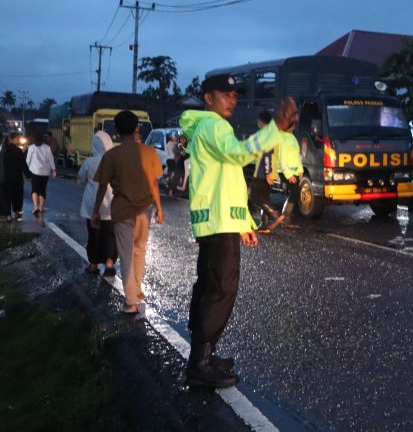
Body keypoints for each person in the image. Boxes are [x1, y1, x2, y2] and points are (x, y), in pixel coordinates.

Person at [179, 75, 295, 389]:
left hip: (217, 221)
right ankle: (200, 363)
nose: (232, 99)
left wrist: (242, 222)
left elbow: (227, 182)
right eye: (225, 94)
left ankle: (203, 354)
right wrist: (276, 130)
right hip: (218, 224)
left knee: (210, 285)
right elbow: (239, 155)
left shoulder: (206, 128)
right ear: (208, 98)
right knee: (221, 289)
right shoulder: (215, 127)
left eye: (234, 94)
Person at [92, 110, 164, 315]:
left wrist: (96, 211)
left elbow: (102, 186)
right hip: (145, 209)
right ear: (137, 128)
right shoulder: (150, 152)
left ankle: (131, 301)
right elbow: (154, 184)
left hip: (122, 209)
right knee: (140, 249)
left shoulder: (111, 156)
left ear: (116, 131)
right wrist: (159, 208)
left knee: (126, 254)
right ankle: (136, 291)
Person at [79, 131, 117, 276]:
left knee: (94, 235)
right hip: (111, 205)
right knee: (110, 235)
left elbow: (81, 178)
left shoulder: (89, 162)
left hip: (91, 205)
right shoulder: (113, 161)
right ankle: (109, 263)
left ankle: (93, 265)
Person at [265, 112, 303, 232]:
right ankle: (284, 217)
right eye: (293, 125)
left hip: (294, 171)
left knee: (293, 192)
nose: (295, 127)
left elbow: (297, 155)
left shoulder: (292, 138)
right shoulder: (281, 138)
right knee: (295, 191)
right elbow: (281, 158)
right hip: (286, 171)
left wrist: (300, 169)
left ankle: (285, 218)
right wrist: (288, 174)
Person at [249, 111, 280, 230]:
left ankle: (273, 212)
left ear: (262, 122)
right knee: (265, 197)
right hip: (271, 172)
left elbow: (267, 155)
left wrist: (267, 172)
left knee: (254, 196)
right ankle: (264, 223)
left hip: (263, 173)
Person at [25, 132, 57, 216]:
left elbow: (28, 160)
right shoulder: (47, 148)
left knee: (34, 189)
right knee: (42, 190)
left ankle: (35, 207)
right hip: (45, 172)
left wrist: (27, 171)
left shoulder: (31, 147)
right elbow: (51, 159)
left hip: (34, 172)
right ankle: (41, 208)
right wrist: (53, 170)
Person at [3, 133, 26, 222]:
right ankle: (16, 213)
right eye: (17, 138)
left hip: (5, 178)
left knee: (7, 197)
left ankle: (8, 215)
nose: (18, 140)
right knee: (17, 196)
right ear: (12, 139)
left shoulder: (3, 150)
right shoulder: (18, 151)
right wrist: (28, 175)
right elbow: (23, 164)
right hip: (17, 178)